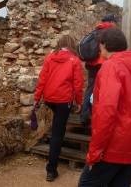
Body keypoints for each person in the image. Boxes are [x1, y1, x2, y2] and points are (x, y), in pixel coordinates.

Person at [78, 28, 131, 187]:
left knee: (86, 184)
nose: (98, 48)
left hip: (113, 147)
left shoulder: (111, 67)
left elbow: (106, 112)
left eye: (99, 45)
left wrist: (94, 153)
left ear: (104, 45)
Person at [34, 35, 84, 182]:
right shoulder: (75, 60)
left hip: (50, 98)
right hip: (63, 101)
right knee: (58, 133)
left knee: (57, 126)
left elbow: (42, 79)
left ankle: (53, 155)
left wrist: (37, 98)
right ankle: (51, 169)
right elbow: (78, 84)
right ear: (71, 45)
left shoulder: (50, 57)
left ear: (60, 44)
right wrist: (79, 101)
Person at [80, 14, 116, 128]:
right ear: (111, 21)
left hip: (91, 64)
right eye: (115, 22)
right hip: (102, 64)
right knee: (103, 90)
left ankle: (85, 116)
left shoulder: (96, 30)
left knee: (90, 88)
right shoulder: (110, 31)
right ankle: (97, 116)